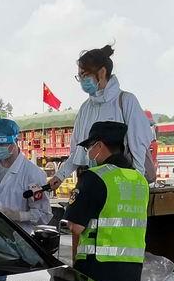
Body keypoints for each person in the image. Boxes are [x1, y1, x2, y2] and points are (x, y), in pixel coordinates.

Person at [47, 44, 155, 189]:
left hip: (120, 183)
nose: (82, 81)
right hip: (91, 181)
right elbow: (78, 151)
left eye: (85, 75)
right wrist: (60, 176)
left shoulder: (125, 101)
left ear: (102, 72)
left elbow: (138, 147)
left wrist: (136, 184)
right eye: (80, 76)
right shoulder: (85, 108)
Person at [64, 121, 149, 281]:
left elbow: (75, 227)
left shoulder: (94, 177)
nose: (89, 152)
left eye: (89, 147)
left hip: (98, 269)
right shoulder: (139, 180)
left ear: (99, 145)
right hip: (132, 271)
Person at [0, 117, 52, 226]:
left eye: (1, 144)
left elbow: (43, 215)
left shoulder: (33, 174)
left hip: (13, 239)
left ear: (15, 142)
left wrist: (17, 215)